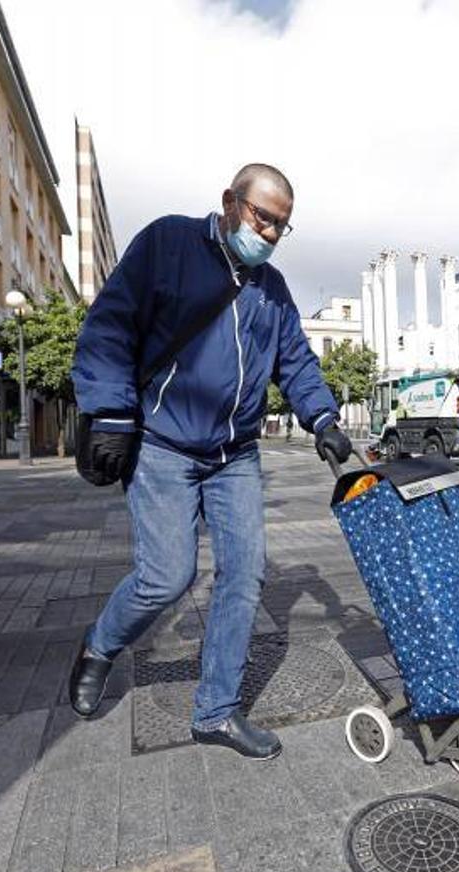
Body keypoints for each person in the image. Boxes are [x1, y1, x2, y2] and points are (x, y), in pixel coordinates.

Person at [68, 163, 353, 760]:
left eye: (282, 227)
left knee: (244, 575)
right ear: (230, 202)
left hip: (235, 456)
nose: (271, 234)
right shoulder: (168, 243)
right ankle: (99, 645)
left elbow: (296, 362)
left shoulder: (272, 291)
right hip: (163, 446)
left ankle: (216, 711)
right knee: (165, 577)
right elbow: (109, 327)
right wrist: (113, 412)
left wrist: (323, 419)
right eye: (263, 218)